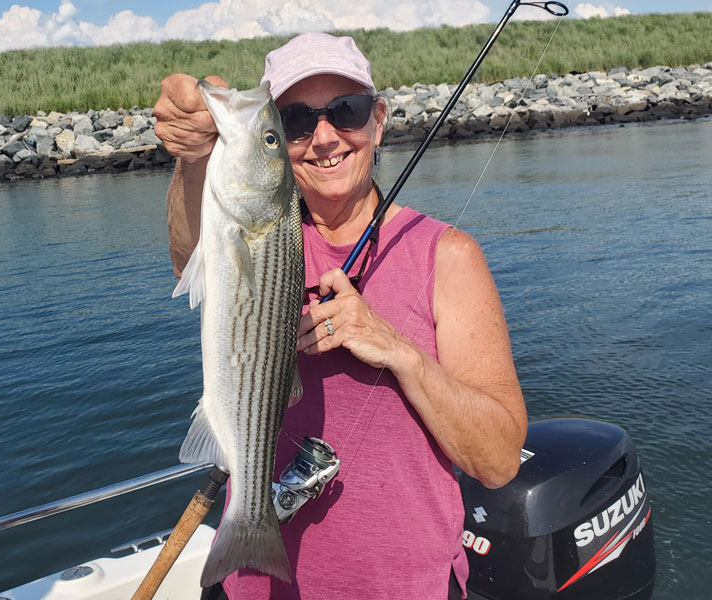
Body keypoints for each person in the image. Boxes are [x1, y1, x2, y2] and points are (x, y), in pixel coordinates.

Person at [154, 32, 527, 600]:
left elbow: (499, 462)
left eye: (345, 112)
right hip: (252, 588)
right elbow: (190, 254)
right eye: (297, 121)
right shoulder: (261, 236)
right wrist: (194, 157)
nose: (324, 137)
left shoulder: (448, 256)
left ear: (377, 120)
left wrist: (397, 349)